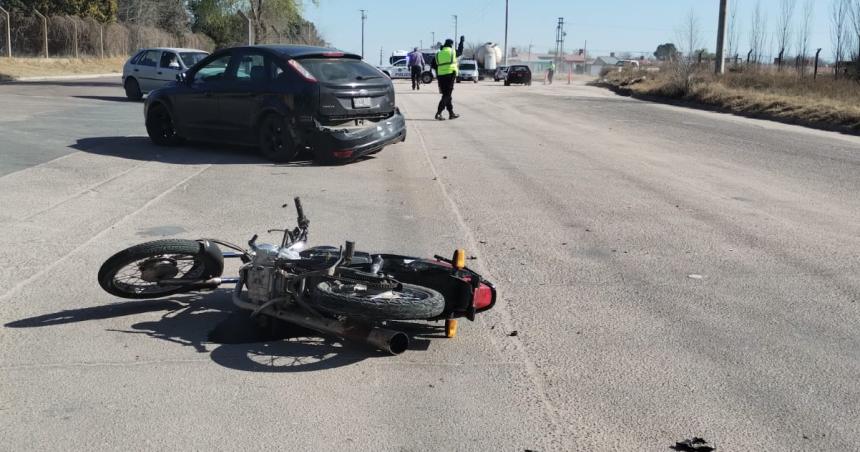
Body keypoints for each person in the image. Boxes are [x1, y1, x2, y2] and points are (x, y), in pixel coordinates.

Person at [434, 39, 459, 121]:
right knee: (447, 95)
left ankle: (451, 113)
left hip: (441, 75)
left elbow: (433, 64)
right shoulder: (452, 52)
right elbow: (460, 52)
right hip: (450, 74)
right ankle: (438, 113)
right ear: (451, 44)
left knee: (447, 95)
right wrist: (461, 43)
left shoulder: (438, 53)